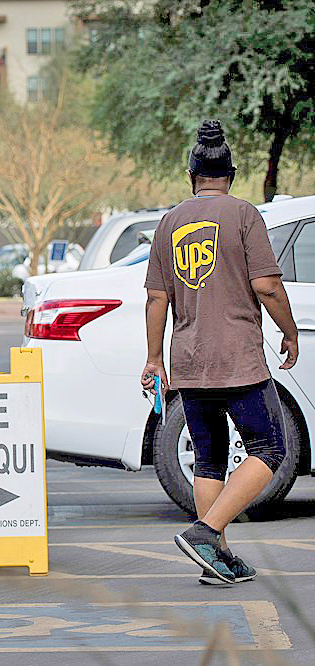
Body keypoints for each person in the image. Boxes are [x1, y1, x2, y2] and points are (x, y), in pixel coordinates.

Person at [142, 120, 298, 584]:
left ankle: (218, 559)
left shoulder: (169, 222)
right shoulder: (245, 214)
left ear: (191, 176)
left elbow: (156, 298)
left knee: (209, 458)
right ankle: (208, 533)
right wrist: (288, 331)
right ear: (231, 174)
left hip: (188, 361)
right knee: (271, 446)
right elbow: (267, 285)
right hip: (237, 359)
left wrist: (154, 359)